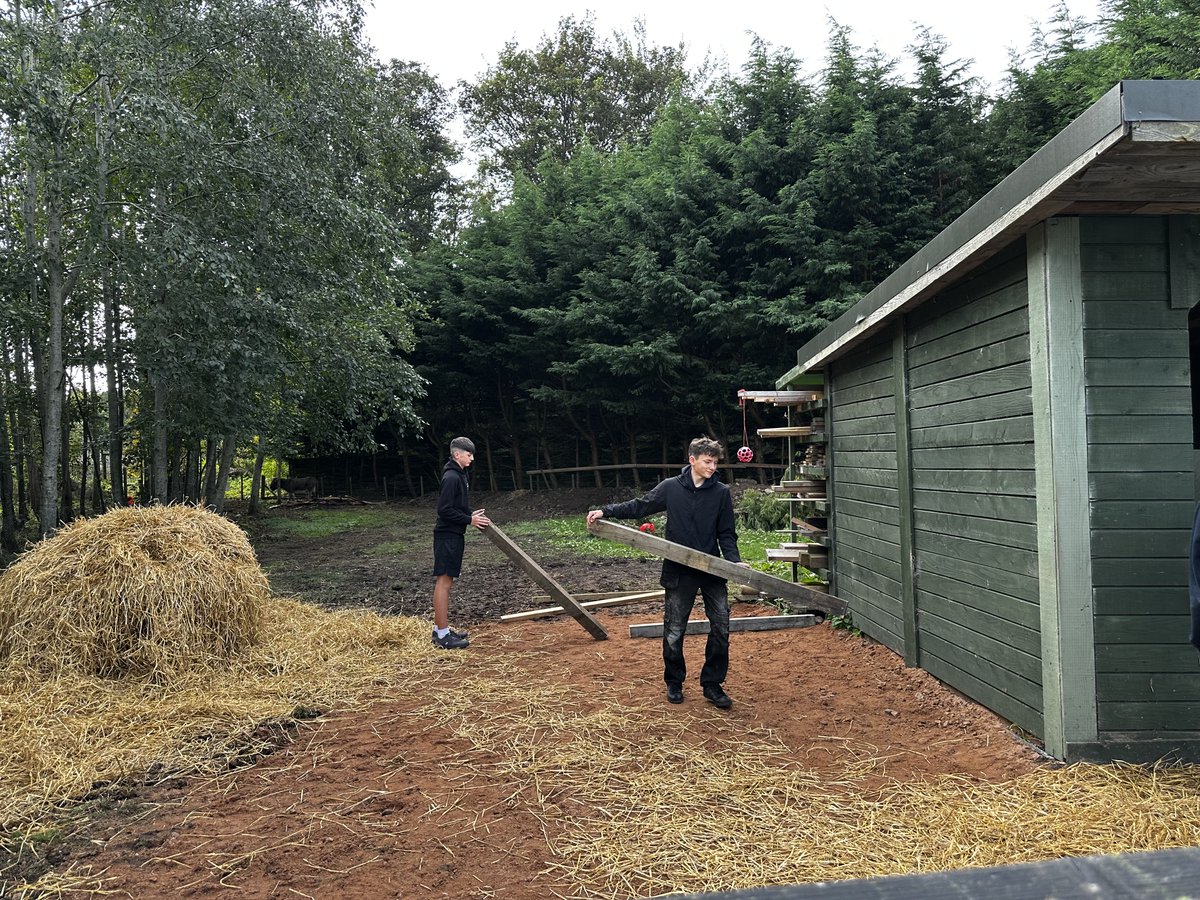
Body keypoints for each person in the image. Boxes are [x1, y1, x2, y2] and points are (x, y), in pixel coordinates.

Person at [586, 436, 746, 709]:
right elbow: (640, 505)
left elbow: (726, 533)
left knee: (721, 627)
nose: (712, 466)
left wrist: (734, 562)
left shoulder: (720, 492)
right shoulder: (671, 488)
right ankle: (674, 682)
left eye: (715, 462)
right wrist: (606, 511)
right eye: (707, 461)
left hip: (711, 570)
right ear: (692, 460)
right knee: (674, 629)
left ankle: (712, 684)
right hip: (678, 570)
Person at [432, 436, 491, 650]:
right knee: (444, 582)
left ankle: (442, 629)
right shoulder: (451, 477)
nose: (472, 458)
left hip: (454, 534)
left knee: (447, 581)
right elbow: (444, 510)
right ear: (457, 454)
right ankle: (441, 635)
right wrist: (469, 520)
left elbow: (456, 506)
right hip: (447, 535)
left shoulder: (459, 475)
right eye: (469, 454)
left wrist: (469, 513)